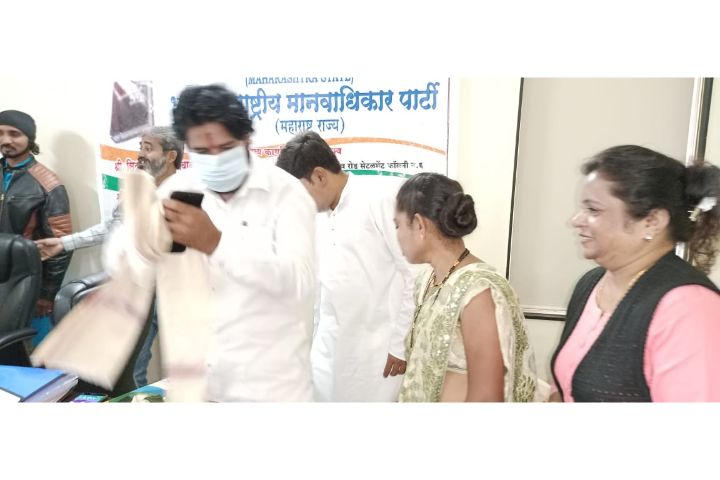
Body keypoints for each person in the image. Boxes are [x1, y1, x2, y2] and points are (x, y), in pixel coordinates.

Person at [103, 84, 317, 401]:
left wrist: (216, 243)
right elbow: (123, 265)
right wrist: (139, 240)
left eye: (226, 148)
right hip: (200, 382)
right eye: (202, 151)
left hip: (270, 385)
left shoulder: (287, 194)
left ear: (246, 140)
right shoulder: (179, 188)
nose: (215, 158)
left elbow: (299, 283)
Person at [551, 145, 720, 402]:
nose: (576, 220)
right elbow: (565, 388)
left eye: (593, 210)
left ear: (651, 222)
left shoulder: (688, 306)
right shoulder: (590, 284)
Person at [35, 126, 184, 387]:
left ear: (170, 156)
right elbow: (112, 227)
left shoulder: (189, 192)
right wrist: (64, 243)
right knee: (132, 364)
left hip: (178, 288)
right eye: (140, 147)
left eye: (148, 148)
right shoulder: (138, 189)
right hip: (138, 287)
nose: (141, 154)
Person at [276, 130, 418, 402]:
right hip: (329, 346)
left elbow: (413, 273)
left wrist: (399, 345)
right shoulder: (318, 214)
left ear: (319, 176)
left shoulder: (381, 198)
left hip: (377, 351)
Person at [393, 172, 539, 402]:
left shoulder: (477, 291)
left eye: (398, 225)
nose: (397, 235)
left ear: (419, 225)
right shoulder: (426, 281)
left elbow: (487, 398)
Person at [0, 109, 72, 322]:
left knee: (20, 336)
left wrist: (47, 294)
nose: (6, 140)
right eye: (0, 133)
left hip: (21, 278)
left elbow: (60, 244)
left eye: (14, 134)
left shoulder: (49, 184)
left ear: (29, 138)